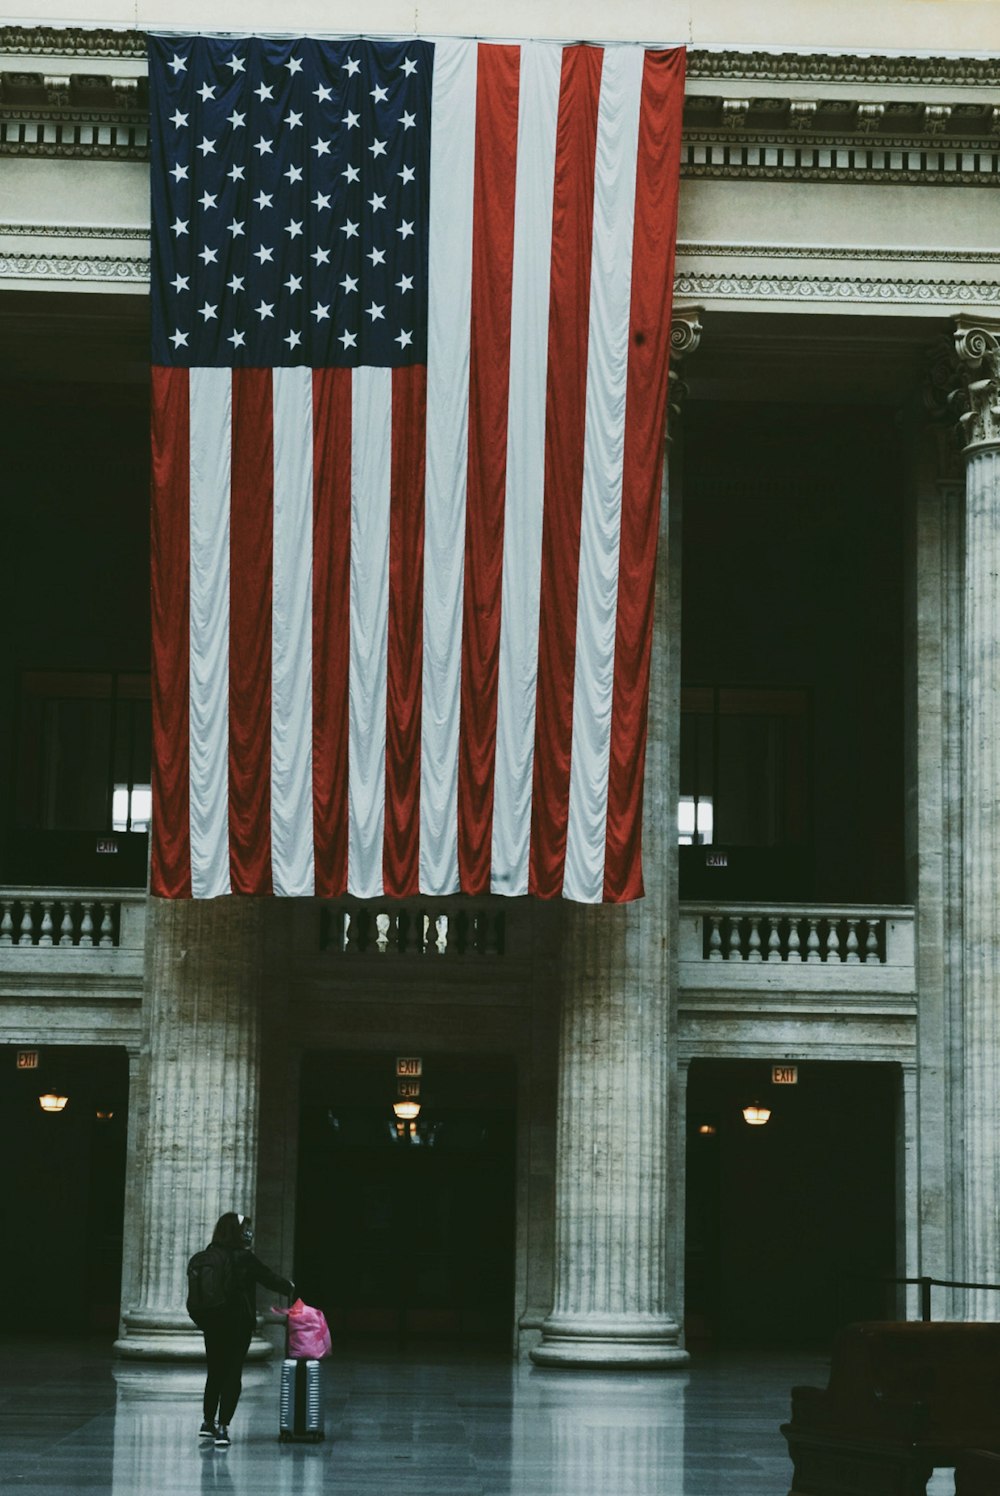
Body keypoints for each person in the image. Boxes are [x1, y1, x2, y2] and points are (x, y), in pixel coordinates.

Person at [190, 1211, 294, 1448]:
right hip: (237, 1323)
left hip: (213, 1322)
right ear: (239, 1233)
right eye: (246, 1229)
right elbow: (268, 1277)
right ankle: (224, 1426)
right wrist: (289, 1286)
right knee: (232, 1373)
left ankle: (207, 1422)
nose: (250, 1234)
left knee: (215, 1371)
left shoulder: (210, 1254)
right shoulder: (244, 1258)